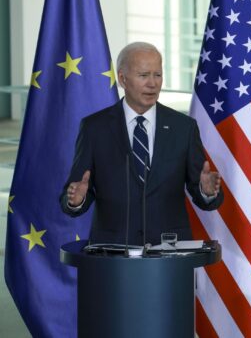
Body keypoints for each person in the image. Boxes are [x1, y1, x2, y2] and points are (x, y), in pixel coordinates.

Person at [59, 42, 223, 246]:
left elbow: (203, 195)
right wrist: (76, 200)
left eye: (158, 75)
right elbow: (76, 190)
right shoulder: (95, 127)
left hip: (169, 252)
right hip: (113, 252)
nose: (153, 84)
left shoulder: (184, 127)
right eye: (144, 75)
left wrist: (206, 191)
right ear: (122, 79)